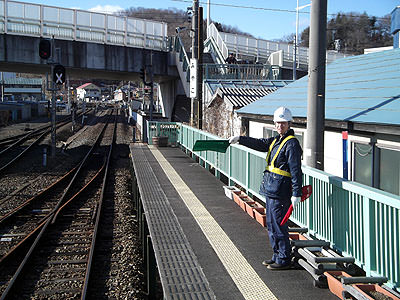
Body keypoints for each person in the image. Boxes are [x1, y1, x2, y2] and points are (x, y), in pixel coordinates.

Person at [229, 107, 303, 270]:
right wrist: (240, 139)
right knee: (271, 223)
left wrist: (297, 193)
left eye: (283, 123)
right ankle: (277, 254)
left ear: (289, 124)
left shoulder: (291, 144)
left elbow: (296, 170)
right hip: (272, 188)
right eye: (277, 123)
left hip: (281, 191)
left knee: (278, 225)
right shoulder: (277, 141)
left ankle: (284, 258)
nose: (279, 126)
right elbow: (260, 143)